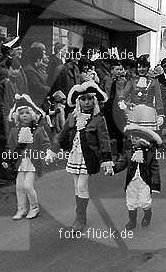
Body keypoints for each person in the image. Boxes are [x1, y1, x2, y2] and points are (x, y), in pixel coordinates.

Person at [45, 79, 114, 232]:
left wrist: (107, 159)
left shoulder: (98, 119)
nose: (87, 102)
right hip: (74, 156)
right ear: (78, 101)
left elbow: (104, 140)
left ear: (94, 100)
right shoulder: (72, 117)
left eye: (90, 98)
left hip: (89, 158)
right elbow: (61, 136)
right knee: (77, 187)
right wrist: (52, 150)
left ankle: (80, 218)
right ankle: (79, 215)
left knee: (82, 186)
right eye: (83, 99)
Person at [5, 95, 51, 220]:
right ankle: (21, 209)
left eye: (27, 113)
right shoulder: (14, 131)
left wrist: (46, 154)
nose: (24, 115)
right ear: (17, 116)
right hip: (20, 162)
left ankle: (34, 208)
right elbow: (10, 146)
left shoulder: (39, 130)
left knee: (27, 186)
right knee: (19, 187)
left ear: (32, 115)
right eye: (21, 113)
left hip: (32, 162)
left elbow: (45, 144)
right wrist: (7, 158)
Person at [114, 124, 161, 230]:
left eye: (136, 138)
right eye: (132, 138)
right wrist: (113, 169)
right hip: (131, 182)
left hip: (144, 182)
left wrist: (155, 185)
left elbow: (155, 169)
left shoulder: (150, 153)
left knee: (144, 202)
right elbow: (122, 163)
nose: (133, 140)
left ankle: (147, 214)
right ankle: (132, 221)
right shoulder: (129, 152)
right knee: (131, 202)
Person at [119, 54, 164, 132]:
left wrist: (160, 114)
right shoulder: (132, 80)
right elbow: (124, 93)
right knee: (135, 138)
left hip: (148, 113)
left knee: (147, 138)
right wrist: (122, 101)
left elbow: (158, 98)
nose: (141, 69)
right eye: (139, 67)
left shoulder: (154, 80)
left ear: (148, 67)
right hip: (134, 112)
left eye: (144, 67)